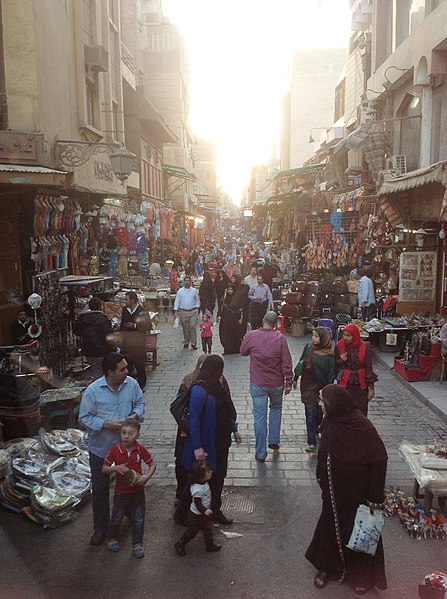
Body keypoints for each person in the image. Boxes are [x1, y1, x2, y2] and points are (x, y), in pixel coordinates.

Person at [305, 384, 388, 595]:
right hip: (333, 492)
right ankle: (328, 568)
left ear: (337, 404)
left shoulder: (363, 427)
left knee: (358, 531)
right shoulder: (331, 422)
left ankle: (360, 574)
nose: (321, 405)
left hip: (357, 493)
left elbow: (379, 460)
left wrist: (375, 496)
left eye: (324, 401)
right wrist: (320, 476)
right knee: (330, 526)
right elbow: (324, 452)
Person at [78, 352, 145, 546]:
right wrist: (106, 424)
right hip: (101, 449)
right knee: (100, 490)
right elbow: (84, 418)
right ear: (109, 372)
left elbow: (141, 403)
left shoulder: (131, 384)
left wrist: (135, 414)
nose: (127, 371)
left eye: (126, 367)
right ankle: (101, 529)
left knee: (130, 484)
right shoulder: (92, 391)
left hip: (127, 449)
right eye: (122, 369)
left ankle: (131, 516)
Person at [177, 355, 241, 526]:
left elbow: (225, 411)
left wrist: (234, 429)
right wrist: (197, 447)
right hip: (206, 442)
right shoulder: (199, 389)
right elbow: (194, 420)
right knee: (196, 479)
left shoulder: (218, 386)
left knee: (218, 476)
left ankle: (214, 510)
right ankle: (182, 513)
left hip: (221, 440)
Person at [240, 311, 293, 462]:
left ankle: (261, 452)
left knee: (259, 417)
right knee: (276, 409)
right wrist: (288, 381)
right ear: (276, 323)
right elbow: (286, 362)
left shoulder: (253, 336)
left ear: (263, 320)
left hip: (258, 383)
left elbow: (243, 351)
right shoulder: (280, 339)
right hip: (276, 383)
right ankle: (274, 440)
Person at [102, 418, 156, 558]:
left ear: (137, 436)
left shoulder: (140, 450)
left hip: (138, 491)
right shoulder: (115, 450)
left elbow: (152, 465)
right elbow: (104, 468)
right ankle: (111, 538)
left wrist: (146, 478)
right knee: (116, 517)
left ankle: (137, 544)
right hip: (121, 492)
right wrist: (116, 468)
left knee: (139, 519)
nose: (126, 436)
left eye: (131, 433)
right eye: (123, 433)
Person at [293, 327, 335, 452]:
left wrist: (328, 389)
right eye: (313, 336)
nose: (313, 338)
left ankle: (316, 431)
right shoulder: (308, 348)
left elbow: (331, 374)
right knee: (310, 413)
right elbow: (301, 362)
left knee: (318, 413)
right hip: (308, 386)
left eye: (316, 336)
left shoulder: (329, 354)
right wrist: (295, 378)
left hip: (322, 388)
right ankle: (311, 442)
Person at [174, 460, 221, 556]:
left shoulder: (204, 483)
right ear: (201, 476)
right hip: (196, 515)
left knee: (207, 529)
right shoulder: (197, 489)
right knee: (192, 531)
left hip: (203, 515)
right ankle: (180, 543)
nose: (211, 472)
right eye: (208, 471)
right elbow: (197, 503)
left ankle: (209, 545)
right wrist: (205, 510)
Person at [335, 323, 377, 417]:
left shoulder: (364, 347)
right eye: (344, 335)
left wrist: (371, 388)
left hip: (361, 385)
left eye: (348, 335)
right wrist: (341, 360)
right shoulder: (339, 346)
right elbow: (335, 366)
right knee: (345, 410)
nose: (345, 338)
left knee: (361, 412)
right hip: (345, 383)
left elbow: (368, 368)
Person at [73, 297, 114, 379]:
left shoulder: (83, 318)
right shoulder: (103, 319)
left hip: (89, 352)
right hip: (102, 351)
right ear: (99, 306)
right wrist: (112, 349)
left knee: (96, 373)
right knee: (104, 374)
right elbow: (108, 336)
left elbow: (76, 331)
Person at [120, 291, 148, 390]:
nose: (125, 301)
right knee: (127, 366)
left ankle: (141, 386)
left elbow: (147, 326)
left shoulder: (142, 311)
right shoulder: (124, 310)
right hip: (127, 344)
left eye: (126, 299)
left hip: (138, 344)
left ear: (132, 300)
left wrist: (135, 326)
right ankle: (128, 386)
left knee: (139, 365)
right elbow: (122, 326)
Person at [218, 283, 247, 355]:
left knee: (234, 334)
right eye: (229, 289)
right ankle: (227, 349)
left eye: (231, 289)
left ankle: (234, 349)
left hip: (234, 320)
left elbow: (241, 310)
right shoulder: (225, 298)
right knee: (225, 334)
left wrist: (241, 318)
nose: (230, 291)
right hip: (225, 320)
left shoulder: (238, 300)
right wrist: (219, 316)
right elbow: (221, 308)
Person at [173, 275, 200, 350]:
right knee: (185, 327)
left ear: (190, 282)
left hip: (193, 311)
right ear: (184, 282)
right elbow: (177, 301)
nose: (187, 282)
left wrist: (197, 307)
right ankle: (186, 342)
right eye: (186, 281)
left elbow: (197, 299)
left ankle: (194, 343)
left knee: (192, 327)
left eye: (188, 281)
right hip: (183, 312)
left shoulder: (194, 291)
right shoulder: (180, 291)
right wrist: (176, 311)